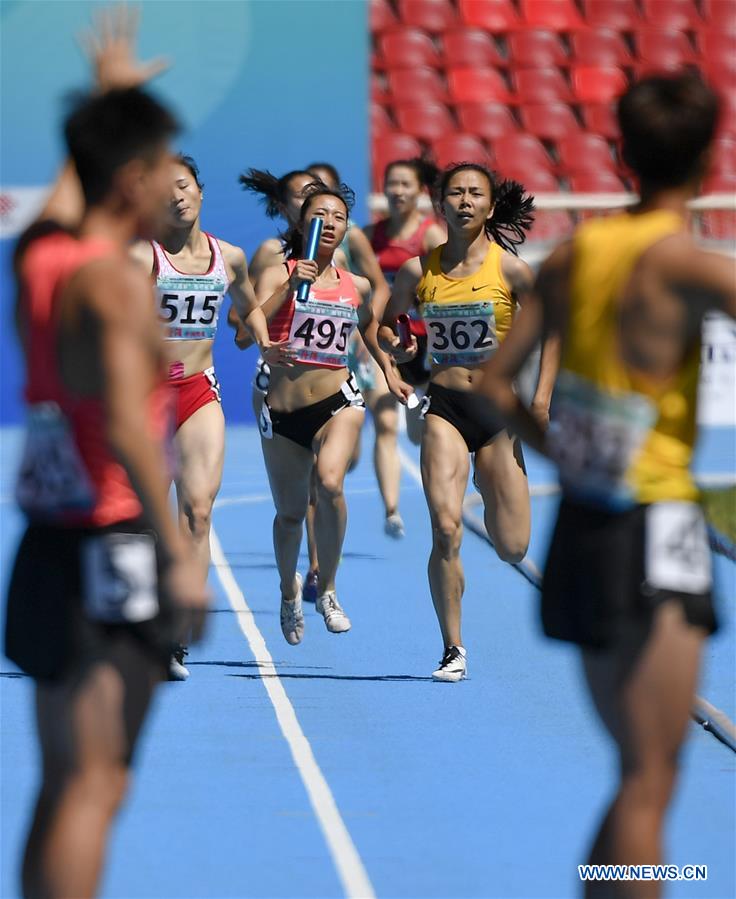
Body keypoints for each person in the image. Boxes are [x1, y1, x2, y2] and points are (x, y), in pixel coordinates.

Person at [478, 73, 731, 897]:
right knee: (651, 778)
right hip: (657, 523)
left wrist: (563, 454)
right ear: (710, 157)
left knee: (636, 773)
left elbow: (495, 388)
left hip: (585, 523)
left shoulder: (574, 255)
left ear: (620, 152)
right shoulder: (691, 266)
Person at [4, 11, 208, 897]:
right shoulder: (118, 282)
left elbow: (61, 203)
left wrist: (101, 105)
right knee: (99, 782)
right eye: (163, 162)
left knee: (60, 780)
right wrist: (181, 557)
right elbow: (131, 426)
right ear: (133, 178)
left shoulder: (38, 261)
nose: (173, 178)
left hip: (47, 539)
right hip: (113, 541)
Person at [380, 163, 556, 682]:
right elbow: (387, 327)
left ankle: (492, 470)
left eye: (474, 193)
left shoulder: (513, 271)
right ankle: (453, 648)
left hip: (499, 415)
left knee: (513, 547)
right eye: (454, 193)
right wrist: (401, 351)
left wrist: (541, 401)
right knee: (447, 528)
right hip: (446, 409)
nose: (463, 201)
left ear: (490, 206)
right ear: (441, 205)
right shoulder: (419, 271)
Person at [131, 156, 285, 678]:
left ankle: (174, 637)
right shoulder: (141, 256)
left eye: (183, 185)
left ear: (199, 190)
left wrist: (266, 343)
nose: (176, 196)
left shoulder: (230, 257)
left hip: (199, 392)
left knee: (197, 512)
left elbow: (248, 306)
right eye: (163, 189)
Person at [255, 181, 412, 644]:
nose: (332, 222)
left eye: (341, 216)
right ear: (304, 222)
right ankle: (288, 593)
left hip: (338, 401)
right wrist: (288, 289)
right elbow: (253, 322)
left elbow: (365, 336)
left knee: (329, 482)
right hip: (284, 414)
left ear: (346, 228)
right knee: (288, 516)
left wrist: (390, 367)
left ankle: (328, 588)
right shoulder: (277, 271)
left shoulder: (356, 285)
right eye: (322, 214)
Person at [309, 161, 414, 538]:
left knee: (387, 421)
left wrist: (370, 322)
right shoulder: (294, 240)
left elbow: (378, 285)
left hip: (359, 345)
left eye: (329, 191)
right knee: (340, 454)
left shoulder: (351, 236)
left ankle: (392, 509)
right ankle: (340, 464)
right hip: (322, 354)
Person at [364, 157, 446, 447]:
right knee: (386, 420)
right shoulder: (370, 236)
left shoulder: (431, 235)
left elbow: (448, 283)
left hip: (423, 340)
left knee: (418, 434)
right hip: (383, 335)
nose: (397, 190)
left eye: (405, 184)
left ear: (419, 191)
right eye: (392, 184)